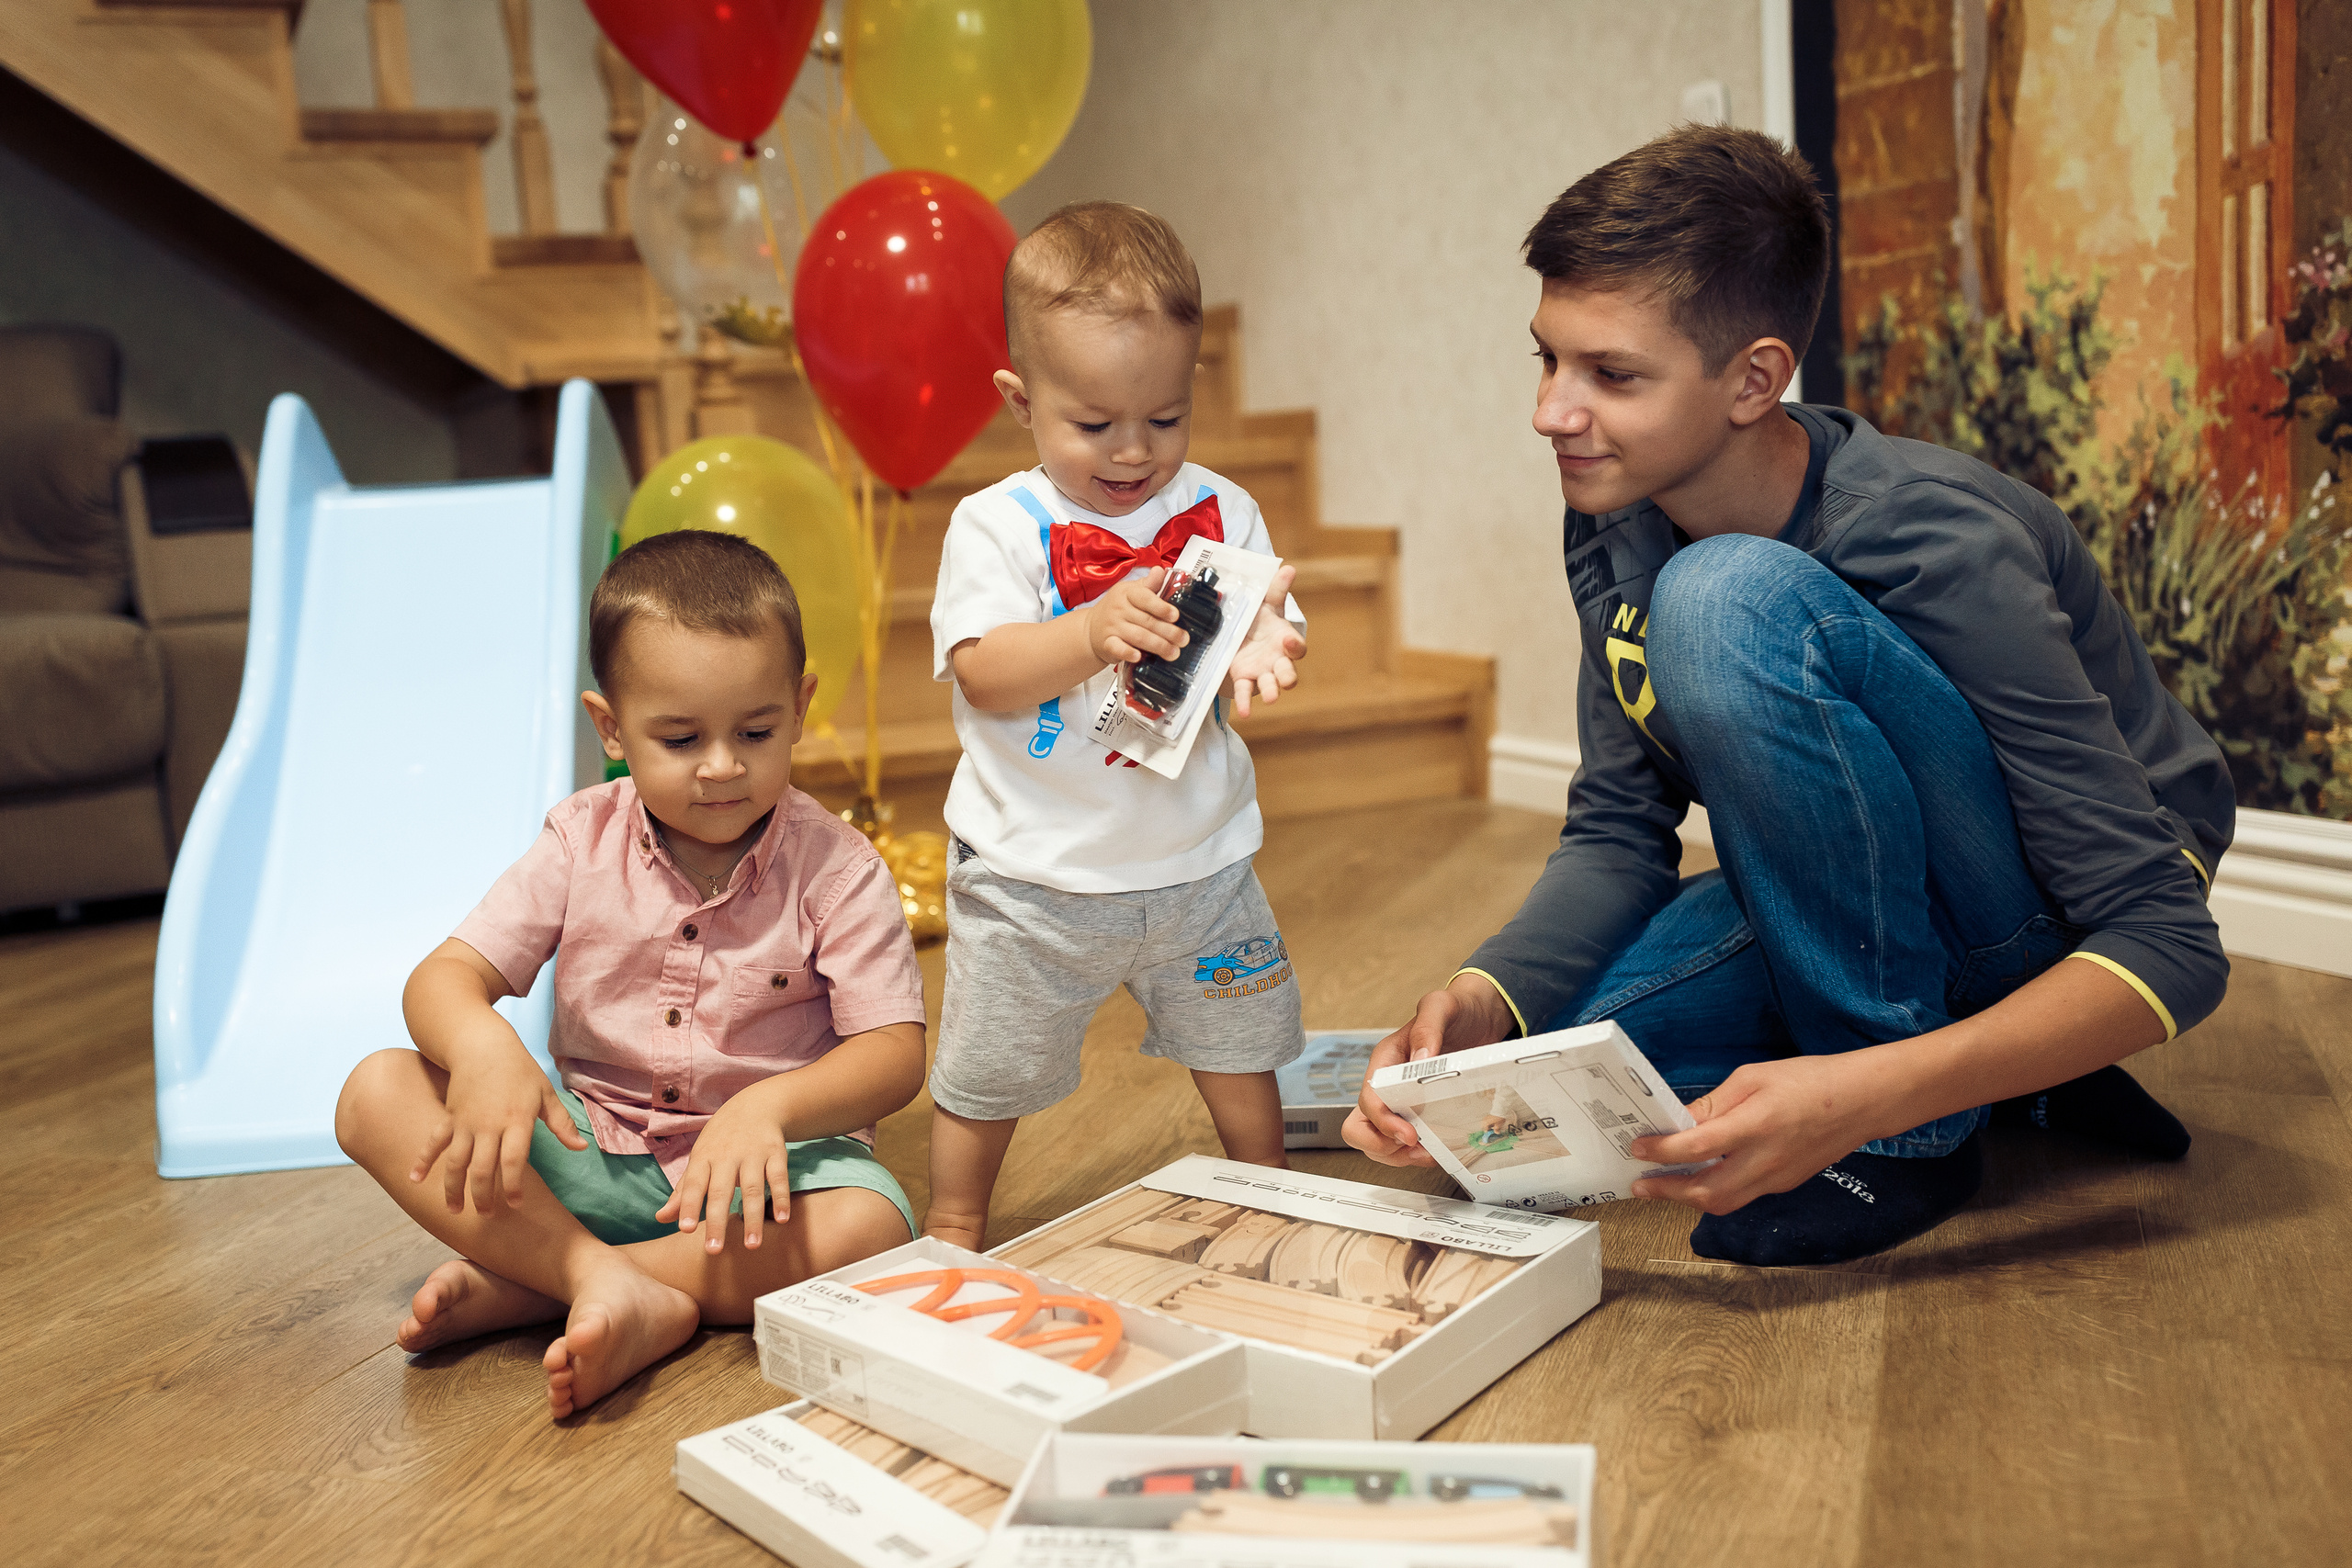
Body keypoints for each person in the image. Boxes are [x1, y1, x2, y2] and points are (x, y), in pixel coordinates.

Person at [1345, 124, 2225, 1267]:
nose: (1552, 413)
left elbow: (2168, 937)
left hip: (2052, 912)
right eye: (1546, 360)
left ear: (1754, 378)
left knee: (1722, 598)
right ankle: (2017, 1081)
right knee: (1534, 1089)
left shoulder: (1932, 538)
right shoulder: (1614, 509)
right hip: (1855, 903)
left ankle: (1913, 1137)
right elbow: (1620, 832)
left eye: (1610, 375)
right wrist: (1480, 999)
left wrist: (1862, 1100)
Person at [335, 531, 927, 1416]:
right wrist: (485, 1051)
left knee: (870, 1231)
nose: (723, 765)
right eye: (681, 737)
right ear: (611, 727)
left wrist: (769, 1107)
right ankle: (594, 1274)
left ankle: (541, 1286)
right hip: (591, 1153)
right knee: (376, 1089)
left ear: (801, 706)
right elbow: (444, 976)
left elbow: (894, 1052)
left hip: (760, 1186)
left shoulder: (838, 868)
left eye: (757, 731)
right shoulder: (580, 839)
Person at [922, 200, 1311, 1248]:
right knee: (987, 1064)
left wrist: (1264, 645)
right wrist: (1090, 628)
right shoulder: (997, 526)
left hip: (1201, 861)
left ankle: (1270, 1188)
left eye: (1167, 418)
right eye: (1093, 425)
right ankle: (955, 1223)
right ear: (1020, 399)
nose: (1135, 453)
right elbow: (983, 670)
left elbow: (1265, 608)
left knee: (1243, 1037)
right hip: (1033, 871)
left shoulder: (1222, 509)